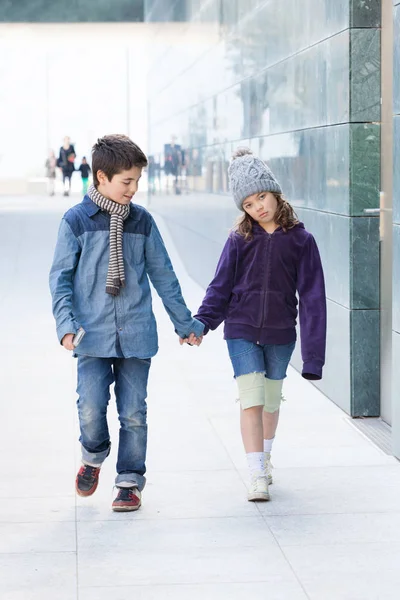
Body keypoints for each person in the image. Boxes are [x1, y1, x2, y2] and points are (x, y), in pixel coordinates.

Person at [49, 134, 204, 512]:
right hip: (91, 334)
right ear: (101, 177)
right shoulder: (76, 221)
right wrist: (66, 325)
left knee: (134, 412)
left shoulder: (142, 222)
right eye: (127, 181)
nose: (134, 189)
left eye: (137, 181)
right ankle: (93, 454)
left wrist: (185, 323)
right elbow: (61, 278)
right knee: (90, 407)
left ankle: (129, 481)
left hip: (136, 333)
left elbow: (163, 275)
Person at [194, 148, 326, 502]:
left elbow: (313, 300)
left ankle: (264, 459)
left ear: (275, 192)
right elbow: (220, 286)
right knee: (251, 399)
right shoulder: (239, 240)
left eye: (262, 198)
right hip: (241, 329)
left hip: (281, 334)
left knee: (270, 401)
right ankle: (255, 473)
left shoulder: (302, 241)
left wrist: (313, 358)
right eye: (249, 204)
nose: (258, 208)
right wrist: (202, 323)